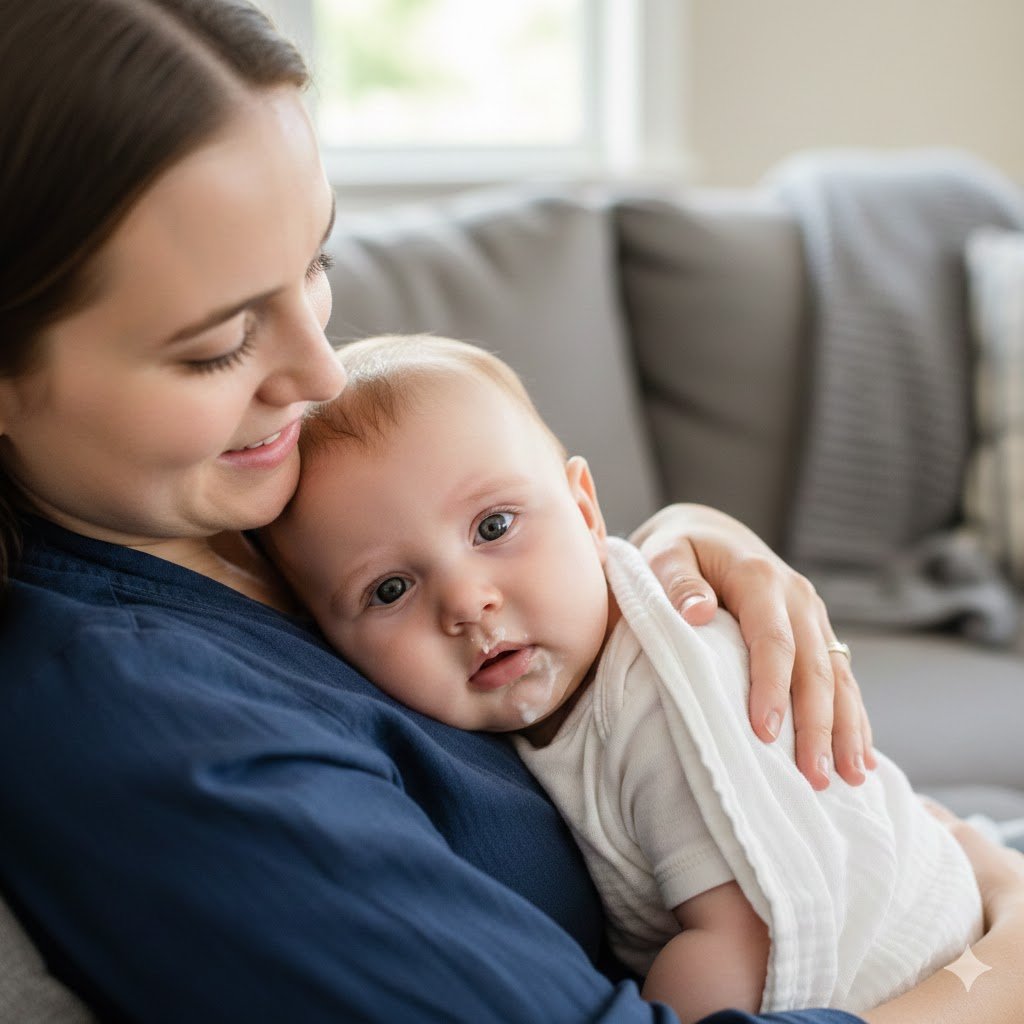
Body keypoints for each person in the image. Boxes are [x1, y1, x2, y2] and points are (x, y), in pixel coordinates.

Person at [0, 2, 1021, 1022]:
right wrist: (995, 971)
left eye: (314, 263)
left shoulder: (229, 516)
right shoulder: (162, 739)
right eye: (218, 343)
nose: (317, 372)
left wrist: (667, 559)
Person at [263, 334, 984, 1023]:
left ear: (584, 508)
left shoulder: (654, 698)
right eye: (390, 590)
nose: (466, 602)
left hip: (921, 958)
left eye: (493, 527)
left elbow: (741, 941)